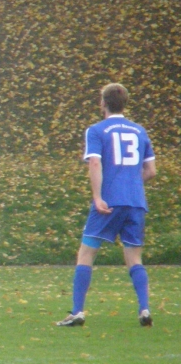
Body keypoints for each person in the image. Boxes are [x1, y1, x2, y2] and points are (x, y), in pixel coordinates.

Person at [57, 84, 156, 328]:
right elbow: (151, 171)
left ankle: (77, 312)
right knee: (134, 258)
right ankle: (144, 308)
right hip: (135, 201)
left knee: (86, 253)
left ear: (103, 103)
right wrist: (131, 184)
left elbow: (95, 163)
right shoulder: (140, 131)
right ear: (125, 103)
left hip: (109, 201)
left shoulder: (96, 130)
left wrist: (98, 196)